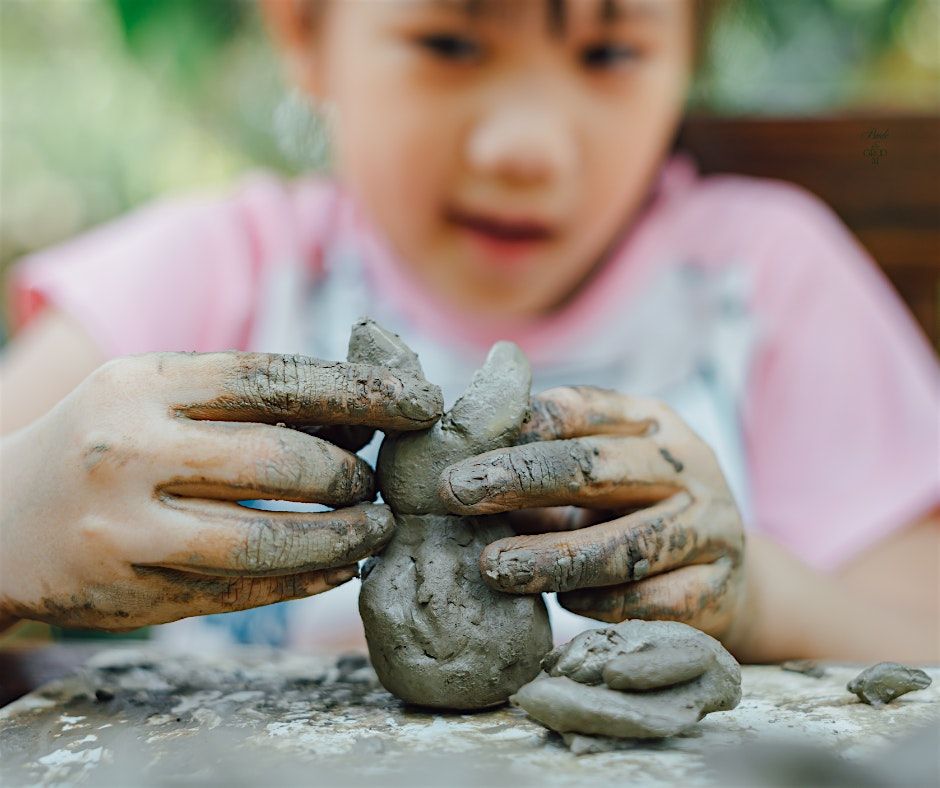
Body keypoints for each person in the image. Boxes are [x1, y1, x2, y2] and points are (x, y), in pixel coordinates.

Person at [1, 0, 937, 662]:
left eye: (609, 54)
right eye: (450, 39)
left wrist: (762, 598)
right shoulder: (216, 271)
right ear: (305, 30)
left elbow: (919, 641)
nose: (524, 149)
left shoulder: (765, 278)